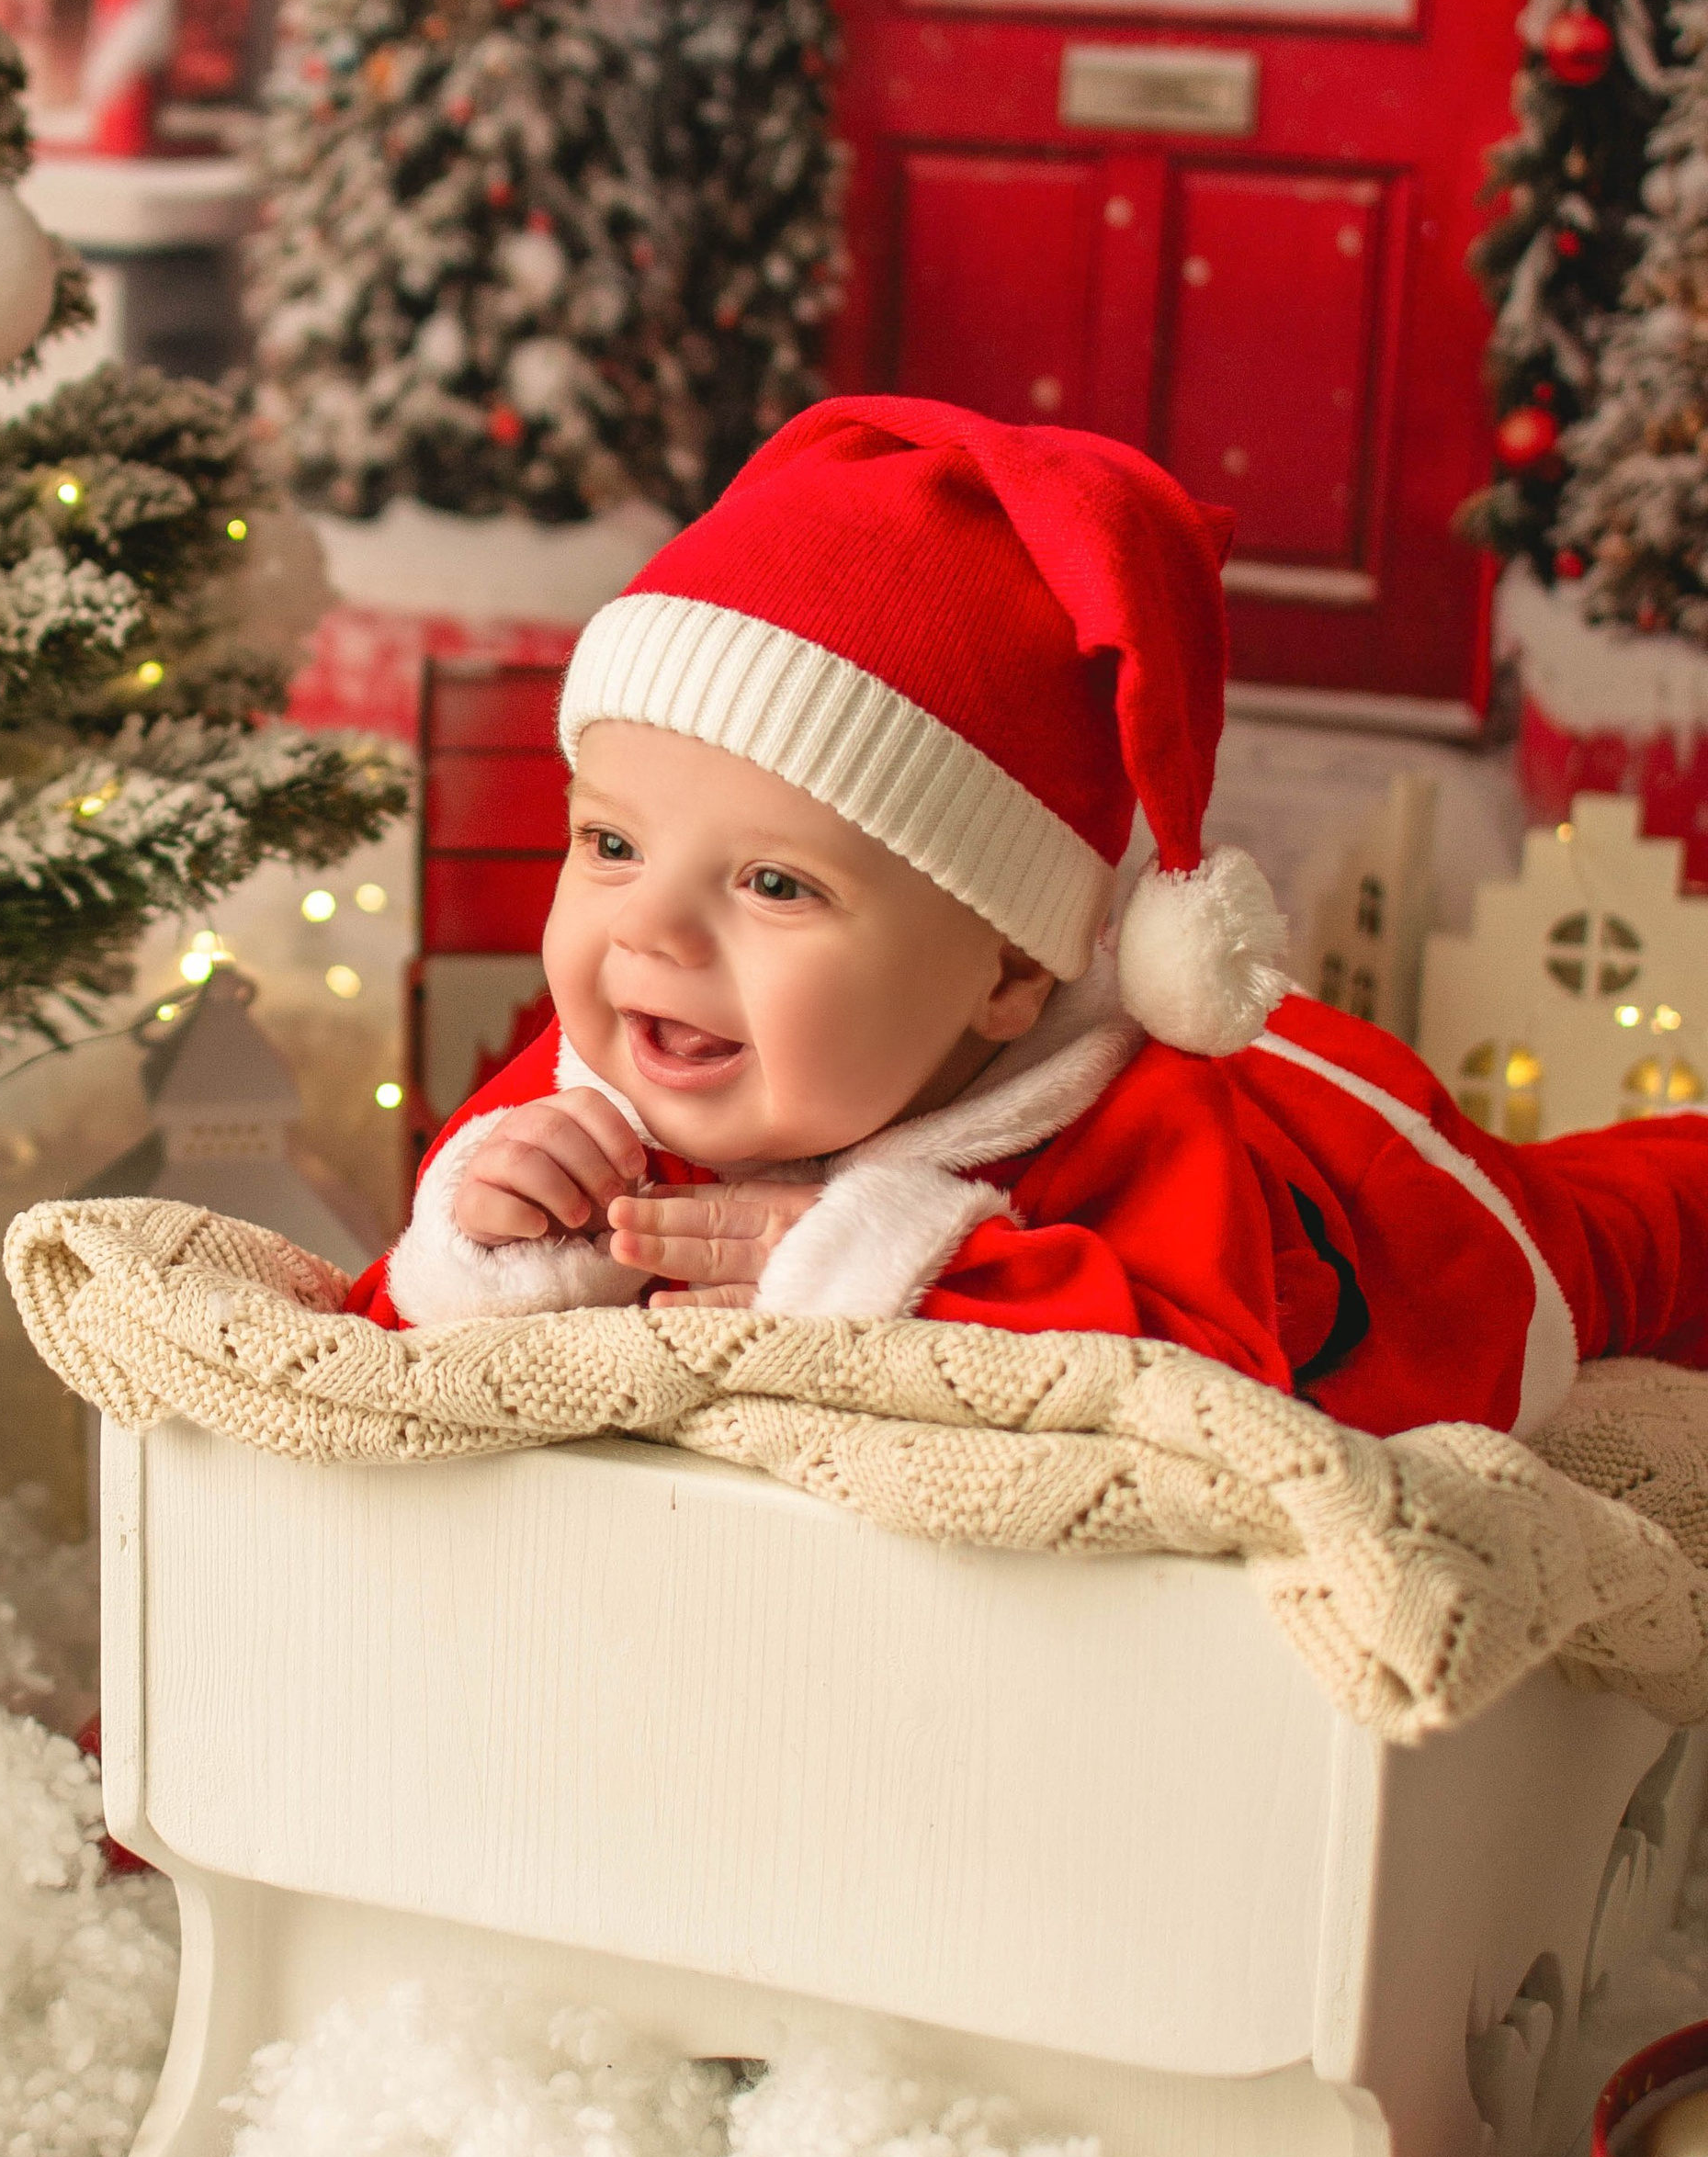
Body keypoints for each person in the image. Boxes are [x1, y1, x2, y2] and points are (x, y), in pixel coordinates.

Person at [347, 395, 1708, 1440]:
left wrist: (893, 1281)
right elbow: (385, 1330)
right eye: (611, 843)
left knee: (1628, 1227)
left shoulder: (1138, 1125)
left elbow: (1202, 1382)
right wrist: (482, 1246)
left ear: (1005, 972)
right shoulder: (624, 1064)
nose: (653, 932)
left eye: (775, 884)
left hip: (1382, 1196)